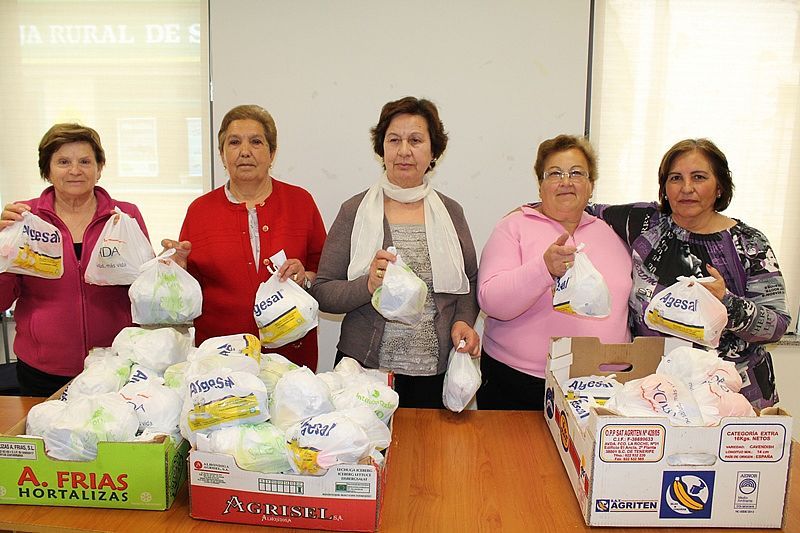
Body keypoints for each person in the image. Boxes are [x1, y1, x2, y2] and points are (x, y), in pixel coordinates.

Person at [591, 138, 790, 409]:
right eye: (675, 178)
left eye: (699, 177)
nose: (686, 188)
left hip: (734, 400)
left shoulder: (749, 243)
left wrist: (727, 304)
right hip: (655, 393)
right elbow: (578, 208)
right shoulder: (646, 222)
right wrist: (527, 213)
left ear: (719, 186)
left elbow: (776, 326)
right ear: (664, 187)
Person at [312, 96, 480, 408]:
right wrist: (367, 285)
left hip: (434, 373)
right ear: (382, 149)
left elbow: (469, 278)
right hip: (364, 373)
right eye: (394, 140)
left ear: (433, 152)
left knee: (428, 457)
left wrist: (464, 321)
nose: (404, 151)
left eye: (416, 140)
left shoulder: (450, 212)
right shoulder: (354, 211)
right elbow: (323, 291)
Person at [163, 104, 326, 371]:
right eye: (234, 142)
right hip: (221, 361)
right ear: (222, 154)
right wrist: (176, 270)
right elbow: (188, 293)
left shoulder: (301, 202)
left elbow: (326, 274)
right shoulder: (200, 210)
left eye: (256, 142)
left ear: (272, 153)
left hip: (290, 357)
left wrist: (305, 277)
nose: (245, 151)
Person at [477, 135, 632, 410]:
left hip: (600, 386)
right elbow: (491, 300)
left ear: (591, 185)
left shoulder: (611, 235)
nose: (566, 181)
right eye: (555, 174)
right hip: (520, 383)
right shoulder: (513, 227)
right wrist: (542, 269)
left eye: (576, 173)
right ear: (540, 186)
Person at [0, 123, 149, 396]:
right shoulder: (24, 218)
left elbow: (144, 290)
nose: (75, 170)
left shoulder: (124, 217)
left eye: (85, 161)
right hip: (41, 370)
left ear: (99, 167)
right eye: (63, 162)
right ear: (47, 170)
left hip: (114, 366)